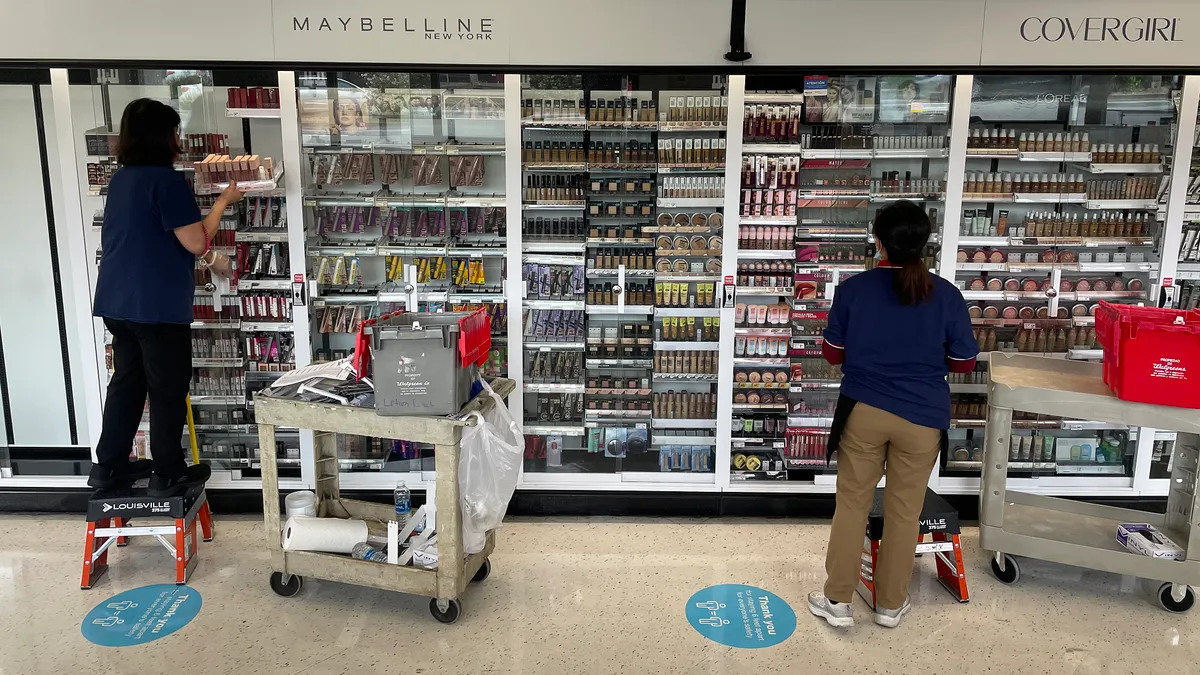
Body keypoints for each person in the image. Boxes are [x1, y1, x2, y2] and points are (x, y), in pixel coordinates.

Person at [807, 201, 977, 629]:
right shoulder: (946, 295)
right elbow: (963, 361)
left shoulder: (854, 290)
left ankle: (838, 601)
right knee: (905, 512)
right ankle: (890, 605)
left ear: (877, 239)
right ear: (926, 243)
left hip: (864, 409)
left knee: (851, 505)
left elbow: (832, 354)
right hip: (922, 418)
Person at [89, 98, 243, 497]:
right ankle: (168, 473)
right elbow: (194, 240)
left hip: (117, 302)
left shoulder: (122, 179)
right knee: (167, 387)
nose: (178, 138)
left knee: (127, 383)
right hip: (154, 304)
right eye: (175, 131)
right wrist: (224, 202)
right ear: (163, 136)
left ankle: (108, 468)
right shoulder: (166, 181)